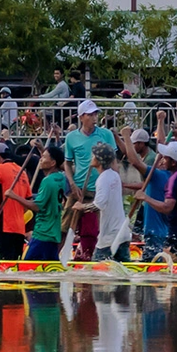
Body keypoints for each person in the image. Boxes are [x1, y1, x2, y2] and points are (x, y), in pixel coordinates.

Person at [62, 100, 116, 260]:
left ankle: (87, 255)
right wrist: (71, 183)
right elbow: (67, 162)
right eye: (90, 114)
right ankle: (58, 256)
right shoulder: (71, 137)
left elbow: (114, 161)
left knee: (91, 228)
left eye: (95, 114)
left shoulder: (105, 134)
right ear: (81, 117)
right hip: (78, 188)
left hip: (98, 189)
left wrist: (114, 182)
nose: (94, 117)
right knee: (65, 225)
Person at [14, 144, 69, 261]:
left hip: (43, 233)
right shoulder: (60, 177)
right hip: (53, 233)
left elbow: (37, 206)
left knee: (27, 269)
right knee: (51, 270)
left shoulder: (47, 181)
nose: (40, 160)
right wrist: (41, 149)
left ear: (53, 163)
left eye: (44, 157)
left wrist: (14, 196)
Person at [81, 143, 131, 261]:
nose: (91, 158)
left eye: (93, 156)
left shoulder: (102, 179)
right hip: (122, 234)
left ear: (99, 160)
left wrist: (81, 207)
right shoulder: (115, 175)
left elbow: (98, 205)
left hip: (109, 239)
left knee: (97, 273)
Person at [0, 142, 32, 262]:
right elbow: (28, 201)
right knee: (14, 265)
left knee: (3, 265)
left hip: (4, 227)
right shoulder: (22, 172)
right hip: (19, 229)